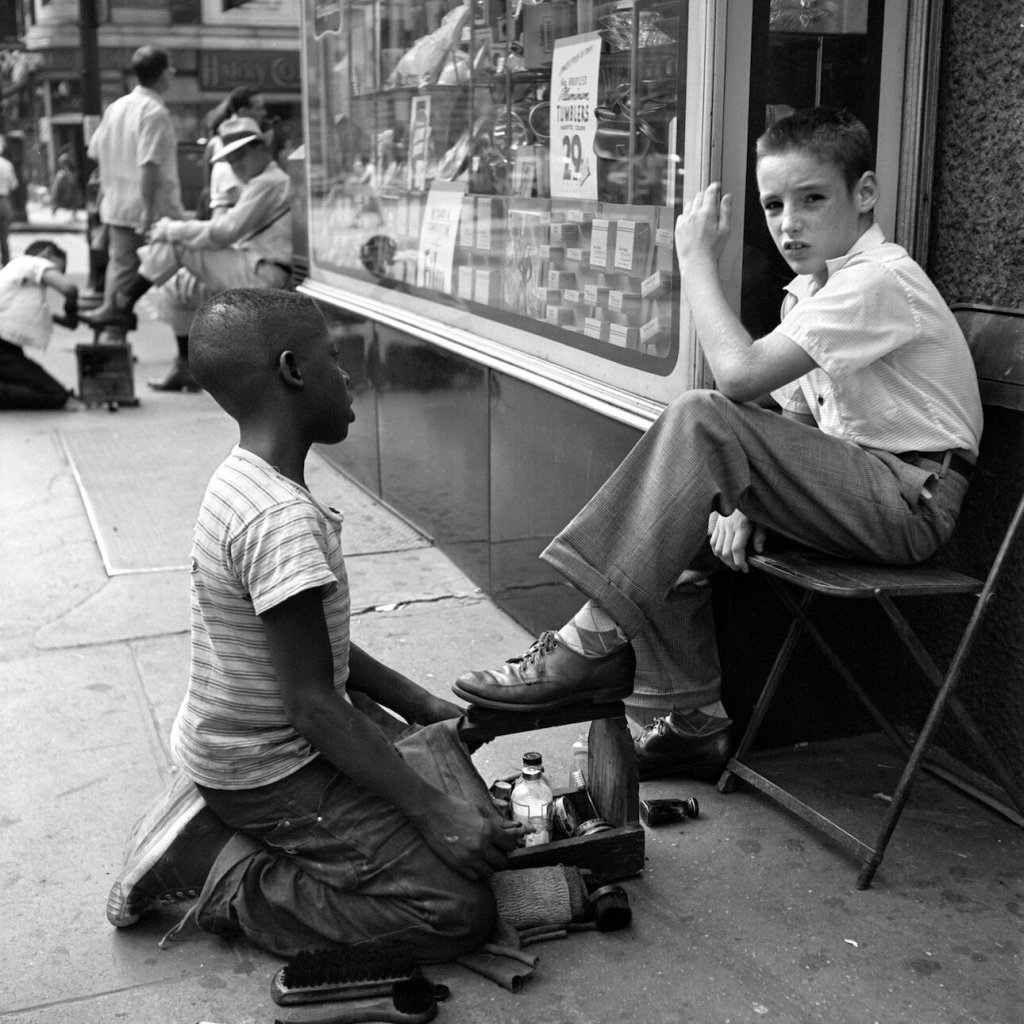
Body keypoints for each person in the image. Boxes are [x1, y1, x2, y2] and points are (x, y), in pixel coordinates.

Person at [452, 107, 983, 782]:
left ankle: (585, 643)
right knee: (672, 523)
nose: (789, 224)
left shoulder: (878, 279)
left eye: (812, 199)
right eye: (774, 205)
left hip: (910, 501)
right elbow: (790, 424)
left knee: (701, 414)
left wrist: (696, 262)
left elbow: (737, 379)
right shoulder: (809, 293)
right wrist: (744, 501)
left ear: (866, 193)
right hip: (859, 485)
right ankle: (694, 724)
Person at [104, 288, 520, 959]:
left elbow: (311, 650)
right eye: (335, 359)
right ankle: (226, 875)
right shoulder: (280, 519)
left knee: (450, 782)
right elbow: (312, 706)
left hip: (250, 743)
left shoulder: (246, 478)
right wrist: (430, 811)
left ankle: (228, 822)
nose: (350, 377)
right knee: (457, 908)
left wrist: (420, 706)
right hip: (268, 767)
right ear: (294, 370)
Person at [83, 116, 292, 393]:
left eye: (241, 156)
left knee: (177, 243)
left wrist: (172, 229)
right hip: (253, 267)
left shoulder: (269, 181)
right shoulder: (259, 181)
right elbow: (220, 231)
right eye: (231, 160)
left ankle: (123, 304)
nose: (236, 165)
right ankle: (185, 368)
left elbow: (224, 232)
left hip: (264, 273)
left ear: (260, 148)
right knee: (175, 288)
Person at [86, 45, 185, 342]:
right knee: (177, 269)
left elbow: (95, 151)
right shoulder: (154, 111)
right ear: (162, 73)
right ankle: (185, 345)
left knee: (122, 269)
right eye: (170, 68)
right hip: (152, 209)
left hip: (118, 206)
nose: (173, 73)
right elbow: (149, 165)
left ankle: (111, 339)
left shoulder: (116, 108)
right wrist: (148, 211)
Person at [0, 240, 82, 410]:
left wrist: (66, 319)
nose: (60, 274)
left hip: (8, 350)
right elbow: (69, 289)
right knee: (57, 395)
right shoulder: (31, 262)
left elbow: (30, 318)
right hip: (3, 349)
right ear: (48, 253)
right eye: (59, 270)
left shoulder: (17, 278)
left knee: (43, 388)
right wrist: (71, 309)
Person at [201, 86, 271, 220]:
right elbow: (231, 196)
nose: (264, 113)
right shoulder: (220, 149)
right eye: (258, 108)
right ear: (243, 111)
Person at [0, 136, 19, 266]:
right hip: (4, 202)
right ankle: (6, 264)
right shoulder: (7, 165)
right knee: (4, 237)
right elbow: (14, 184)